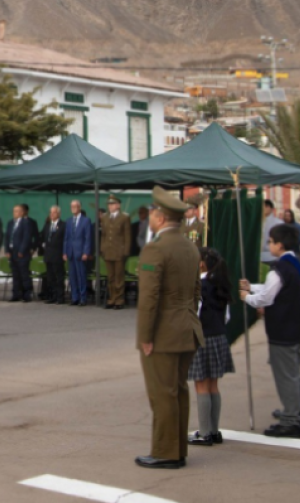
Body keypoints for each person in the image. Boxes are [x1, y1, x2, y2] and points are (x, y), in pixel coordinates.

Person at [135, 189, 202, 468]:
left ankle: (165, 452)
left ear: (160, 218)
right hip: (187, 327)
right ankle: (178, 449)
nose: (150, 218)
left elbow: (148, 299)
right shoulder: (189, 246)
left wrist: (145, 337)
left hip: (163, 333)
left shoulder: (156, 248)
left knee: (162, 393)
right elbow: (196, 290)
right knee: (178, 391)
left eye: (152, 213)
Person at [240, 223, 300, 437]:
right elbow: (276, 289)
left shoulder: (279, 269)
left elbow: (267, 297)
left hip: (283, 329)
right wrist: (251, 286)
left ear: (279, 245)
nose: (269, 245)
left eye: (271, 241)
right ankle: (294, 411)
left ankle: (291, 420)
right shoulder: (297, 264)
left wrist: (247, 297)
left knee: (286, 376)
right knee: (294, 374)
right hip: (297, 326)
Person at [188, 248, 234, 446]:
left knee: (201, 385)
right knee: (213, 385)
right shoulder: (221, 283)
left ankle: (204, 432)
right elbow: (227, 316)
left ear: (201, 264)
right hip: (219, 336)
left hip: (202, 338)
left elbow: (194, 314)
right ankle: (214, 431)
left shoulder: (201, 285)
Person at [101, 196, 133, 310]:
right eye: (109, 204)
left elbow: (127, 235)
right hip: (108, 251)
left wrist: (126, 251)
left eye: (112, 204)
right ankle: (112, 298)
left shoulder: (124, 217)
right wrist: (102, 248)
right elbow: (104, 235)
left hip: (119, 251)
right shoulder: (104, 217)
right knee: (111, 277)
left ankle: (119, 300)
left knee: (119, 277)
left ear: (118, 205)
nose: (110, 206)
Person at [6, 204, 39, 302]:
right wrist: (7, 250)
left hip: (22, 253)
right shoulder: (11, 223)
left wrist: (22, 250)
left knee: (24, 274)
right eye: (14, 211)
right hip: (12, 252)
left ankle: (26, 294)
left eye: (16, 211)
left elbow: (26, 237)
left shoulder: (26, 223)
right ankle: (16, 294)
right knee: (15, 274)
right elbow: (7, 237)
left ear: (22, 212)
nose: (14, 213)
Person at [65, 200, 95, 306]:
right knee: (72, 276)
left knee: (81, 276)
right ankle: (74, 297)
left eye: (75, 206)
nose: (73, 208)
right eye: (72, 206)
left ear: (80, 207)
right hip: (71, 252)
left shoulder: (86, 220)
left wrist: (86, 252)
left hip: (81, 252)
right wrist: (65, 252)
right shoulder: (68, 221)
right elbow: (66, 238)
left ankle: (83, 298)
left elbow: (88, 238)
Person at [41, 206, 66, 304]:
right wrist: (43, 244)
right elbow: (43, 236)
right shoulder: (47, 225)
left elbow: (65, 240)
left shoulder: (63, 225)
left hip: (58, 254)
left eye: (54, 212)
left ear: (58, 214)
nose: (52, 214)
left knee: (58, 277)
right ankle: (53, 296)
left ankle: (60, 297)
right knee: (50, 277)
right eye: (51, 212)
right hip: (48, 254)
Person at [260, 199, 281, 264]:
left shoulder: (278, 223)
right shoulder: (258, 222)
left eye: (265, 207)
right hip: (259, 256)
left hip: (273, 256)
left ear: (270, 208)